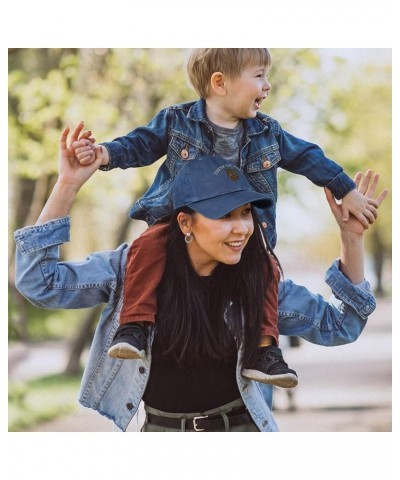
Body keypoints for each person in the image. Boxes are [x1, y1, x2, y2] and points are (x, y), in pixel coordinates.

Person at [14, 124, 387, 432]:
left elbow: (342, 325)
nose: (242, 228)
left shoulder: (258, 282)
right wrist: (66, 186)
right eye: (225, 215)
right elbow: (40, 283)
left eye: (246, 213)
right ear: (186, 222)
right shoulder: (132, 269)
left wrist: (350, 239)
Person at [72, 49, 377, 387]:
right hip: (177, 224)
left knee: (266, 269)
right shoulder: (177, 121)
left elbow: (307, 156)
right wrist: (105, 154)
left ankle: (263, 350)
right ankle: (135, 326)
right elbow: (141, 143)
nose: (268, 85)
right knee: (146, 246)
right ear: (220, 83)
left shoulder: (268, 133)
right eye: (259, 76)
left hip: (243, 234)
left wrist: (344, 188)